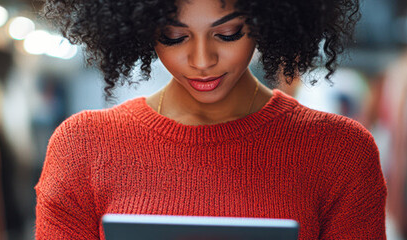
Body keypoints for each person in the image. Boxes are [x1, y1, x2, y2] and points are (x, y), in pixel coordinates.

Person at [34, 0, 387, 239]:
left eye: (227, 33)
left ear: (266, 20)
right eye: (174, 36)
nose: (202, 60)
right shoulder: (82, 146)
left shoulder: (340, 152)